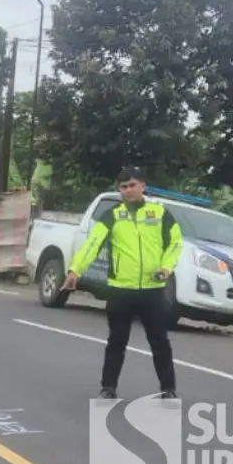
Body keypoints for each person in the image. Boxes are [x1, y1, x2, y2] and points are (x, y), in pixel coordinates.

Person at [63, 167, 182, 400]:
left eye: (132, 185)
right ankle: (108, 388)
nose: (127, 191)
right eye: (123, 187)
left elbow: (176, 243)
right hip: (120, 289)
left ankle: (168, 389)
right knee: (116, 341)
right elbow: (92, 244)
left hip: (153, 290)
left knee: (160, 341)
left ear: (143, 186)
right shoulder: (113, 214)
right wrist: (75, 271)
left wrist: (166, 267)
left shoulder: (159, 213)